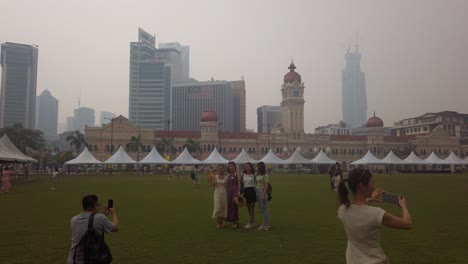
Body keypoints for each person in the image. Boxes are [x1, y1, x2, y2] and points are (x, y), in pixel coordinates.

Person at [337, 168, 413, 264]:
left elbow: (358, 208)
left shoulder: (343, 210)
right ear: (362, 186)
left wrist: (369, 199)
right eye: (371, 183)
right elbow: (408, 223)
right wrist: (403, 206)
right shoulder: (376, 213)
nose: (373, 186)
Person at [67, 194, 119, 264]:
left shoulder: (74, 220)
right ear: (95, 206)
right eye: (98, 205)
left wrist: (104, 215)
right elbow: (115, 228)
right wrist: (113, 213)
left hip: (73, 260)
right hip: (91, 260)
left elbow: (90, 223)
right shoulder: (100, 218)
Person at [211, 164, 228, 229]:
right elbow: (212, 185)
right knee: (218, 208)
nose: (220, 169)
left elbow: (227, 186)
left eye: (221, 168)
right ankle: (218, 223)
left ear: (223, 169)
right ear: (217, 169)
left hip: (224, 193)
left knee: (223, 208)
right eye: (219, 168)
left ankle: (221, 223)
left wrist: (226, 181)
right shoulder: (215, 176)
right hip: (217, 193)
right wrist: (213, 181)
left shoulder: (226, 176)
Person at [255, 162, 271, 231]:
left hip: (262, 191)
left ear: (260, 167)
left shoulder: (265, 175)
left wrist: (264, 194)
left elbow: (266, 185)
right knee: (262, 208)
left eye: (257, 166)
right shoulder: (258, 175)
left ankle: (266, 224)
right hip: (257, 191)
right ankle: (265, 223)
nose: (256, 167)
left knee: (264, 208)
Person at [241, 162, 257, 229]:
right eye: (246, 166)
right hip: (246, 191)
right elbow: (241, 183)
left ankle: (250, 223)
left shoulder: (254, 174)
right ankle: (252, 222)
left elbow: (258, 182)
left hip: (252, 191)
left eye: (248, 166)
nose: (247, 168)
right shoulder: (243, 174)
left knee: (252, 207)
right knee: (248, 207)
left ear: (251, 167)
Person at [226, 161, 241, 229]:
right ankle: (232, 221)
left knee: (234, 206)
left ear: (234, 166)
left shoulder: (237, 173)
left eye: (232, 166)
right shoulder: (228, 174)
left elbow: (239, 183)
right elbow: (227, 184)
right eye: (229, 166)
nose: (231, 167)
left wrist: (238, 191)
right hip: (229, 192)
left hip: (235, 192)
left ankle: (234, 221)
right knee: (230, 206)